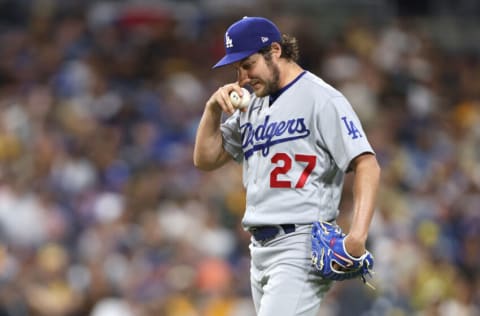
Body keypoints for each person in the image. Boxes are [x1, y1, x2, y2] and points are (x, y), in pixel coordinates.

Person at [193, 16, 381, 316]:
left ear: (275, 51)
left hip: (302, 245)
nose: (242, 77)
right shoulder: (253, 102)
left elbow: (367, 164)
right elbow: (205, 159)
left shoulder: (321, 98)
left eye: (248, 64)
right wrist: (212, 109)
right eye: (237, 68)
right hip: (260, 249)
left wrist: (357, 235)